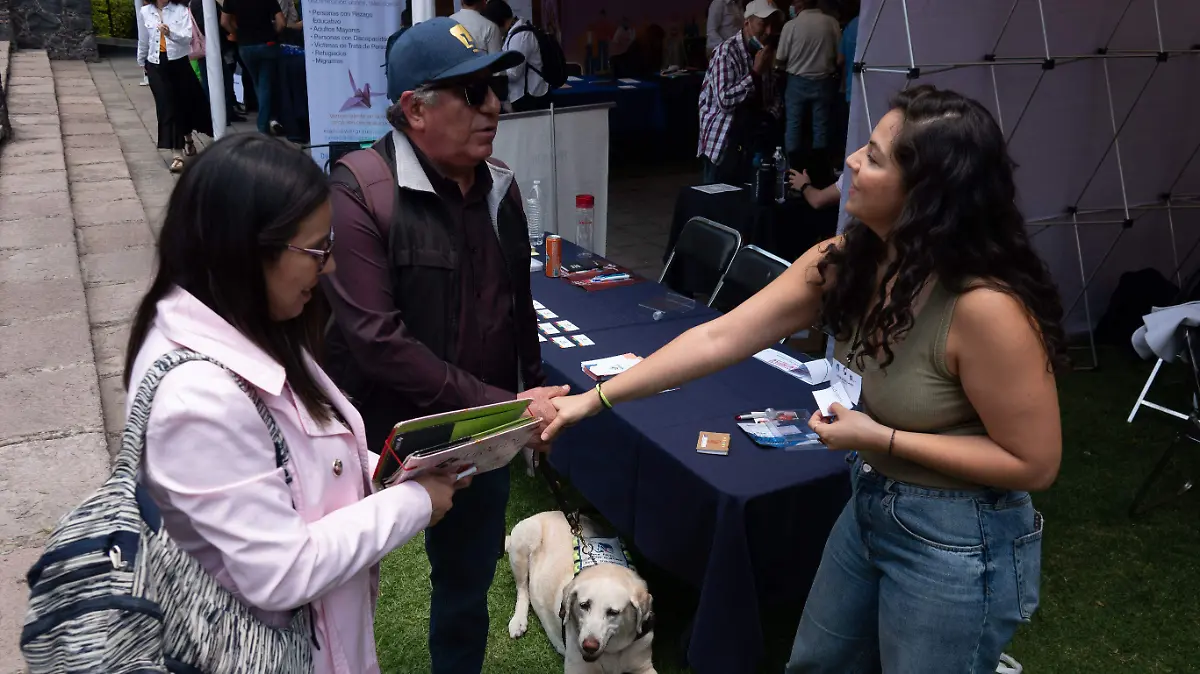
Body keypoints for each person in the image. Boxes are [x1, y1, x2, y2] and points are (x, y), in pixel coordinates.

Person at [543, 85, 1064, 673]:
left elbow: (1034, 464)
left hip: (959, 536)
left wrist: (880, 439)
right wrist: (595, 400)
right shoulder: (846, 259)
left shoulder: (985, 306)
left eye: (874, 155)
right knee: (817, 664)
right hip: (870, 501)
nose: (851, 161)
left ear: (927, 195)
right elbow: (718, 337)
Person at [123, 133, 459, 674]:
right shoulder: (196, 400)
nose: (328, 269)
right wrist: (414, 502)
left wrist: (397, 469)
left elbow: (295, 467)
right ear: (248, 249)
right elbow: (281, 571)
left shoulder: (247, 323)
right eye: (316, 250)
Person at [320, 18, 568, 674]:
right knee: (340, 591)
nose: (496, 106)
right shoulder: (359, 191)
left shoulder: (500, 189)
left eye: (494, 88)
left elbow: (520, 311)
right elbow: (377, 341)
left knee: (464, 587)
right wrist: (509, 406)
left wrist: (528, 400)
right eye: (474, 92)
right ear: (416, 109)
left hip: (478, 434)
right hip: (372, 438)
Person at [697, 0, 782, 184]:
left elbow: (773, 94)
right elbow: (725, 100)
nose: (768, 31)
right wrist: (754, 74)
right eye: (763, 23)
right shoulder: (726, 52)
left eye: (772, 25)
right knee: (717, 202)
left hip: (752, 140)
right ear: (747, 23)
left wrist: (770, 116)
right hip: (724, 141)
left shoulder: (763, 51)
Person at [140, 0, 214, 173]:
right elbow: (144, 38)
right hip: (155, 64)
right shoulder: (145, 11)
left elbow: (187, 38)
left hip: (178, 63)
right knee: (167, 106)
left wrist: (170, 33)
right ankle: (177, 154)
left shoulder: (181, 11)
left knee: (184, 104)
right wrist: (141, 60)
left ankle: (188, 138)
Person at [775, 0, 841, 171]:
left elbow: (780, 58)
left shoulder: (791, 26)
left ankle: (793, 171)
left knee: (793, 126)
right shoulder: (831, 23)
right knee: (821, 127)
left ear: (798, 5)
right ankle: (820, 170)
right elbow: (839, 57)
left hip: (796, 82)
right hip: (824, 82)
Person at [220, 0, 283, 134]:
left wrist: (237, 33)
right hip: (268, 43)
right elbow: (281, 23)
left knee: (258, 83)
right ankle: (263, 125)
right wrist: (274, 33)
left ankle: (266, 121)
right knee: (265, 84)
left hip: (245, 46)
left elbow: (224, 21)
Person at [483, 0, 549, 112]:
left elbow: (514, 73)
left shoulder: (520, 37)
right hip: (522, 95)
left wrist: (491, 71)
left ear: (498, 22)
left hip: (529, 98)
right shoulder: (514, 33)